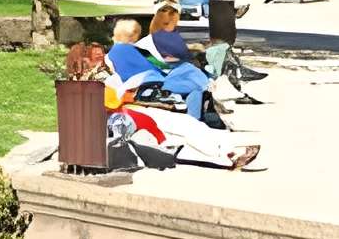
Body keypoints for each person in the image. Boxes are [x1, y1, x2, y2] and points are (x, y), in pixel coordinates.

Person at [82, 41, 260, 171]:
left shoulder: (104, 74)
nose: (99, 61)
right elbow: (108, 103)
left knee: (187, 124)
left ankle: (230, 150)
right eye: (94, 58)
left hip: (131, 111)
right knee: (183, 126)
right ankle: (228, 153)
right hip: (125, 115)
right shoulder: (91, 80)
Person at [108, 17, 223, 126]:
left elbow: (161, 65)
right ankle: (209, 87)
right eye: (134, 33)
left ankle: (198, 113)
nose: (136, 36)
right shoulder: (132, 50)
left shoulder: (121, 52)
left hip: (155, 80)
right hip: (150, 83)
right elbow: (160, 66)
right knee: (189, 73)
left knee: (189, 72)